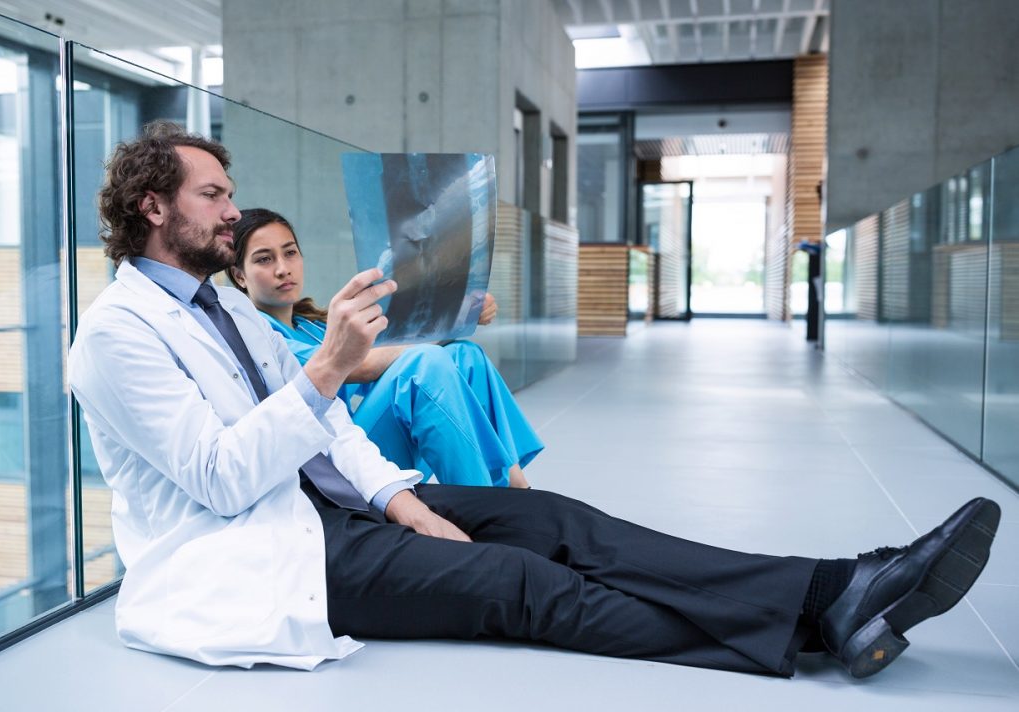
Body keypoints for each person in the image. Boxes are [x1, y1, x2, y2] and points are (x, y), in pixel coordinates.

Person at [68, 121, 1000, 679]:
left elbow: (334, 436)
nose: (233, 212)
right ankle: (818, 620)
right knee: (524, 586)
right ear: (155, 207)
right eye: (215, 196)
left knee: (553, 521)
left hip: (331, 510)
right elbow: (224, 482)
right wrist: (325, 370)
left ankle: (836, 588)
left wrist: (405, 504)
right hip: (257, 553)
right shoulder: (114, 337)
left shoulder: (225, 308)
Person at [224, 207, 541, 488]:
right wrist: (453, 322)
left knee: (465, 356)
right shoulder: (257, 333)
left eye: (290, 253)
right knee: (425, 363)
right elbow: (362, 364)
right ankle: (484, 504)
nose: (283, 268)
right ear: (239, 276)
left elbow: (395, 342)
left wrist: (463, 312)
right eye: (264, 259)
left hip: (363, 438)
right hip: (330, 462)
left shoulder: (315, 325)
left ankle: (515, 490)